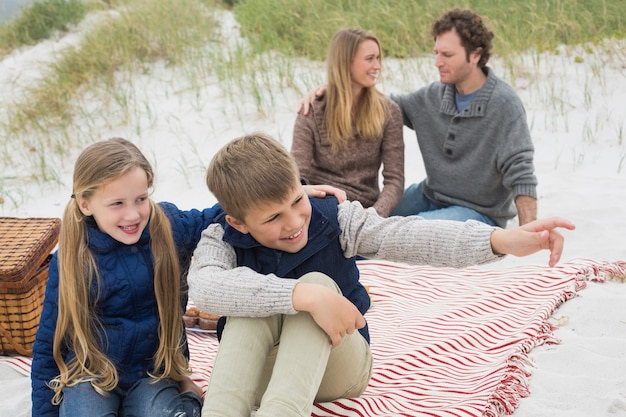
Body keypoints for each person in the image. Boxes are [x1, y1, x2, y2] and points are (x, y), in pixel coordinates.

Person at [186, 132, 574, 417]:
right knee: (249, 303)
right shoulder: (221, 236)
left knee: (318, 284)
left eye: (296, 201)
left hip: (340, 365)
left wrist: (499, 240)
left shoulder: (334, 219)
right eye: (273, 218)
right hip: (262, 376)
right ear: (238, 221)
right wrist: (301, 297)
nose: (293, 223)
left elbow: (407, 235)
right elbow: (205, 286)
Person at [30, 137, 345, 417]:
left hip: (152, 373)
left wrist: (282, 196)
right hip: (91, 375)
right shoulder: (71, 258)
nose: (133, 214)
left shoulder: (167, 225)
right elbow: (48, 345)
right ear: (86, 204)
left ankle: (191, 402)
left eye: (141, 199)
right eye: (117, 204)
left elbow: (223, 213)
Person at [299, 8, 538, 227]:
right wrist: (330, 90)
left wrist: (527, 233)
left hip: (478, 211)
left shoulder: (504, 104)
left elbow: (522, 173)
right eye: (436, 53)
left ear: (475, 55)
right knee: (380, 217)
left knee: (407, 231)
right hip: (430, 195)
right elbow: (376, 104)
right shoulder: (432, 97)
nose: (437, 62)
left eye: (447, 54)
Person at [291, 28, 404, 217]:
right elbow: (297, 175)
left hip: (366, 209)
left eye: (378, 58)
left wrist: (375, 214)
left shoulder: (388, 111)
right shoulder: (312, 110)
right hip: (322, 205)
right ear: (345, 62)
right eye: (370, 59)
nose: (377, 66)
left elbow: (394, 180)